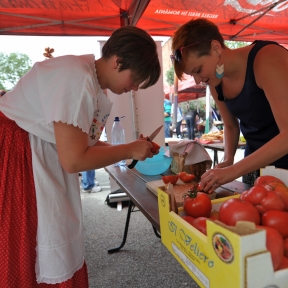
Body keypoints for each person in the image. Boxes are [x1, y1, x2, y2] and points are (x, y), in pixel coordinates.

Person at [0, 26, 160, 287]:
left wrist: (130, 146)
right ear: (118, 61)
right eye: (134, 80)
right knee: (26, 239)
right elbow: (74, 160)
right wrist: (129, 149)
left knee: (50, 237)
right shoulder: (76, 77)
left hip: (38, 149)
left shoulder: (91, 82)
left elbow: (85, 144)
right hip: (19, 153)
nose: (133, 88)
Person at [170, 18, 288, 191]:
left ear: (216, 48)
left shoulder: (266, 58)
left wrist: (233, 170)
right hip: (254, 161)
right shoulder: (216, 82)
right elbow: (231, 126)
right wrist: (228, 159)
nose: (198, 80)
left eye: (198, 70)